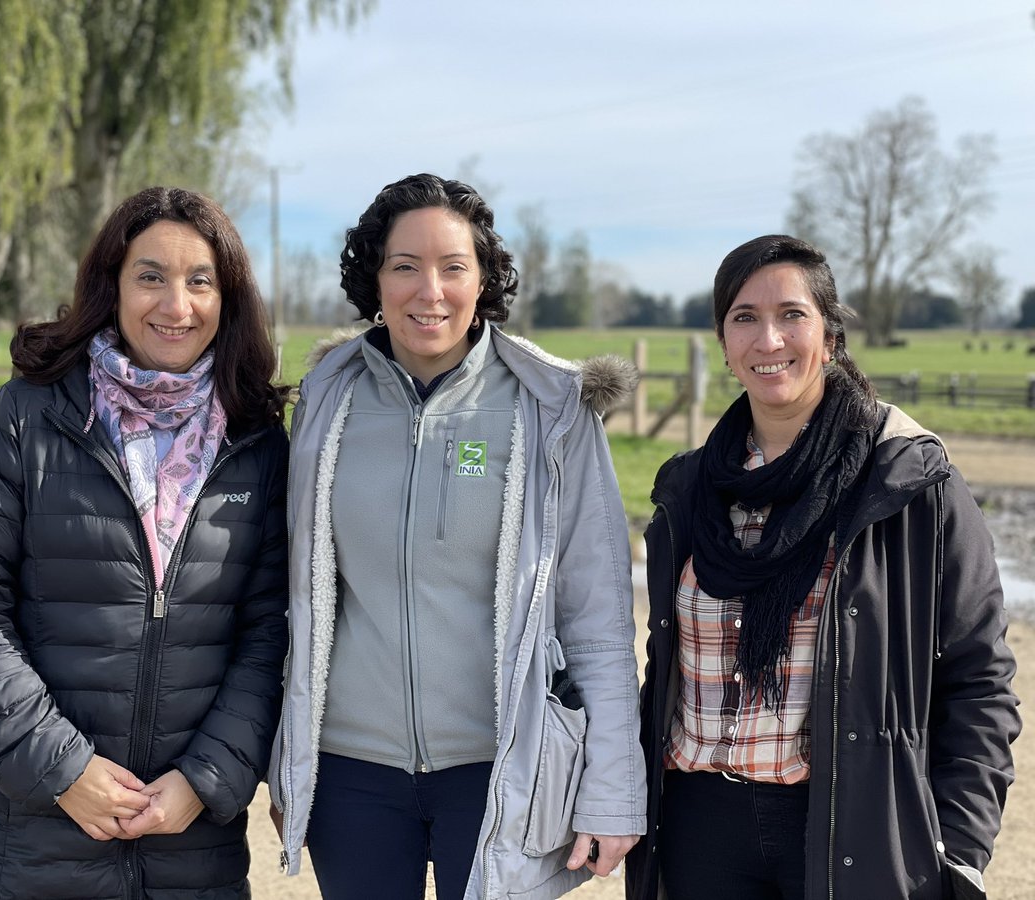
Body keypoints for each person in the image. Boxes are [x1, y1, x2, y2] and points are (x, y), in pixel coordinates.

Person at [268, 173, 647, 899]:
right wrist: (293, 761)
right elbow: (300, 598)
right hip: (352, 776)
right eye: (404, 266)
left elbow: (597, 617)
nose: (428, 291)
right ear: (373, 278)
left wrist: (612, 788)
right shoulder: (324, 399)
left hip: (503, 767)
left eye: (453, 268)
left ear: (485, 280)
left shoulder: (553, 408)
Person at [625, 234, 1020, 900]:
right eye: (744, 317)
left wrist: (959, 848)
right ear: (723, 342)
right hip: (698, 829)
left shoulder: (906, 481)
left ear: (830, 336)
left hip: (847, 826)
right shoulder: (687, 489)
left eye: (791, 315)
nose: (768, 338)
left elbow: (979, 678)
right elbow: (662, 667)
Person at [0, 186, 290, 899]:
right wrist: (61, 770)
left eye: (199, 281)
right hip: (23, 845)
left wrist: (205, 779)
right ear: (113, 286)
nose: (174, 305)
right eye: (150, 276)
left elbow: (270, 633)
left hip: (191, 853)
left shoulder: (258, 441)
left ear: (229, 299)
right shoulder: (28, 416)